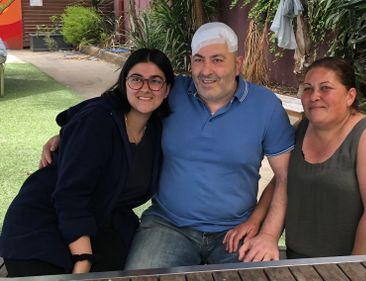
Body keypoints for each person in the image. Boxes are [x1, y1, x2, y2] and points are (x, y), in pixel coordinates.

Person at [40, 22, 295, 269]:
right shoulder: (173, 91)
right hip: (168, 225)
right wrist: (69, 132)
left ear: (237, 64)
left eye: (217, 59)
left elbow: (285, 177)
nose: (206, 70)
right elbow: (116, 102)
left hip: (235, 230)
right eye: (199, 59)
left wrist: (268, 234)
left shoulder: (265, 106)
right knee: (139, 278)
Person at [0, 48, 175, 276]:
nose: (145, 88)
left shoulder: (157, 129)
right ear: (123, 82)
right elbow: (71, 195)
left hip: (100, 219)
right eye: (136, 79)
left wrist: (66, 133)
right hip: (44, 223)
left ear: (167, 89)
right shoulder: (98, 120)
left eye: (155, 81)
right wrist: (83, 258)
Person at [250, 57, 366, 259]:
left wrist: (351, 272)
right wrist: (256, 223)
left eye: (325, 88)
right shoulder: (299, 130)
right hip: (307, 260)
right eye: (308, 89)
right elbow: (281, 180)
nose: (314, 96)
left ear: (350, 96)